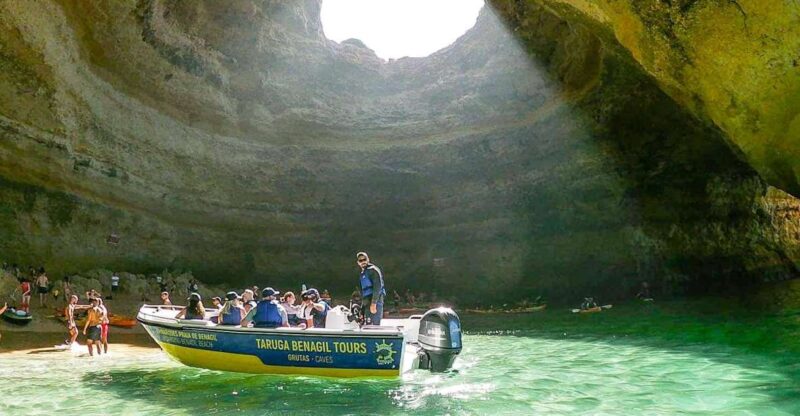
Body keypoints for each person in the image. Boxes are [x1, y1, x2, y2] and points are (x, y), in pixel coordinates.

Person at [356, 252, 385, 325]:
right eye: (360, 260)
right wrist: (362, 310)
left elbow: (377, 287)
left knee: (375, 325)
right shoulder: (363, 273)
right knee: (368, 324)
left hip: (375, 300)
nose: (363, 262)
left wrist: (374, 303)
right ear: (358, 263)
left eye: (364, 259)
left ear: (368, 259)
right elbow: (363, 294)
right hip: (367, 302)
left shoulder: (373, 270)